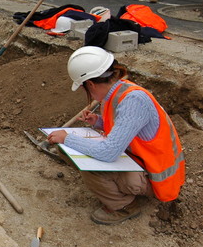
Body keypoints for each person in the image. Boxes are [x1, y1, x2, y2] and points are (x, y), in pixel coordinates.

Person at [47, 46, 185, 225]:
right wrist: (98, 121)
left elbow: (108, 152)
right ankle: (118, 188)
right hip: (142, 162)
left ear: (90, 84)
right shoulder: (120, 93)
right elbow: (126, 128)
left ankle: (124, 206)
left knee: (90, 163)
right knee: (70, 150)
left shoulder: (133, 101)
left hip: (159, 179)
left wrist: (67, 137)